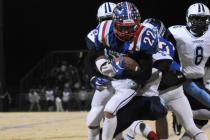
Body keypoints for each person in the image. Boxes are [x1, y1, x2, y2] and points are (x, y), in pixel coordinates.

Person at [94, 2, 183, 140]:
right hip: (124, 83)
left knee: (113, 112)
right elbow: (95, 54)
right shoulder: (104, 30)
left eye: (132, 28)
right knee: (112, 117)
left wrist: (122, 68)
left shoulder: (145, 38)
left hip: (139, 85)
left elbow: (145, 74)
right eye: (123, 28)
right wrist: (102, 65)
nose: (127, 32)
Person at [165, 3, 210, 140]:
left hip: (202, 78)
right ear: (187, 18)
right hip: (181, 80)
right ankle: (181, 114)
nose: (199, 22)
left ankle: (181, 117)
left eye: (203, 19)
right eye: (196, 18)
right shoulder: (176, 33)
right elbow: (167, 56)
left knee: (201, 120)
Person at [84, 2, 118, 140]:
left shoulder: (131, 33)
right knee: (93, 119)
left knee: (122, 121)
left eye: (111, 19)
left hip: (127, 80)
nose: (108, 23)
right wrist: (93, 78)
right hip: (107, 81)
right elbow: (90, 59)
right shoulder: (94, 36)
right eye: (105, 19)